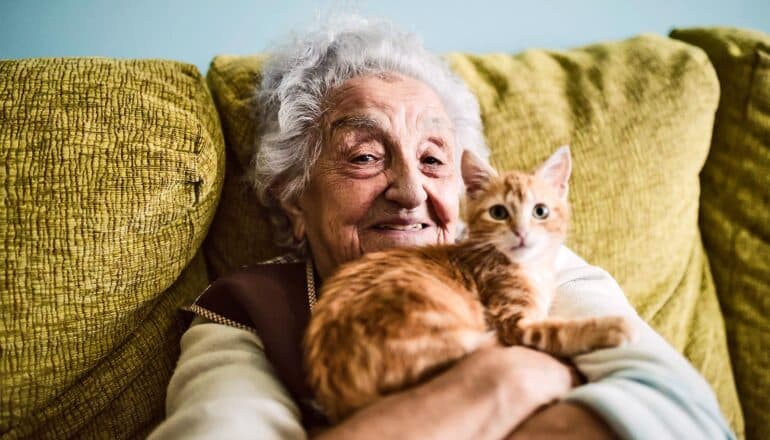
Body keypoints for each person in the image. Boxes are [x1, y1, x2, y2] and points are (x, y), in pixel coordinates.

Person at [149, 16, 734, 439]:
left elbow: (684, 415)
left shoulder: (530, 258)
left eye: (434, 160)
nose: (410, 193)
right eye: (364, 156)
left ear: (466, 189)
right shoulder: (241, 311)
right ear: (294, 200)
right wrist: (507, 378)